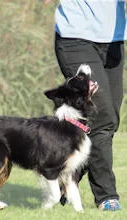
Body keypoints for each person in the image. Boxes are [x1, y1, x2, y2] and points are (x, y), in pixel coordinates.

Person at [43, 0, 126, 211]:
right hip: (76, 35)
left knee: (110, 121)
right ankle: (107, 196)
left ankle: (68, 175)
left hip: (114, 39)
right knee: (102, 118)